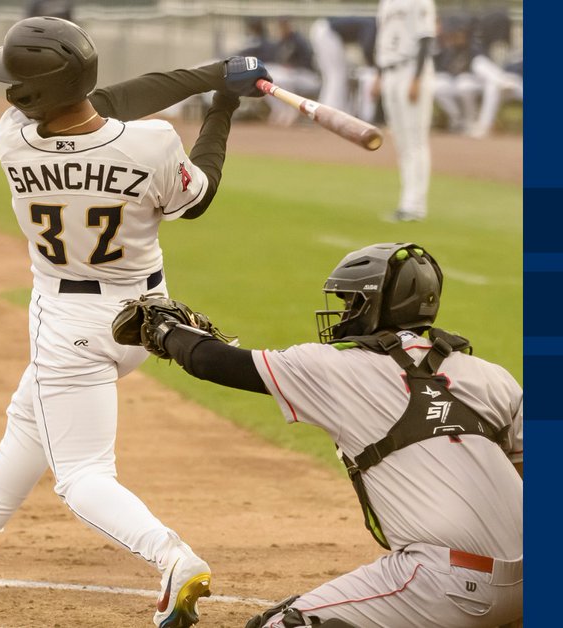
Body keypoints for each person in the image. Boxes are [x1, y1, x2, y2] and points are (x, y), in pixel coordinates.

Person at [0, 17, 270, 628]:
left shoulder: (11, 136)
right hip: (146, 320)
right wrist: (221, 101)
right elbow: (199, 192)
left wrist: (212, 79)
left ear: (27, 96)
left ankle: (173, 558)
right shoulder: (155, 143)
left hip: (69, 324)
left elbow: (113, 99)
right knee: (29, 415)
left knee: (83, 475)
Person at [115, 242, 523, 627]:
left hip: (441, 582)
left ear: (377, 305)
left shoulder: (337, 370)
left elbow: (215, 361)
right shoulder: (491, 377)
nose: (344, 313)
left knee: (278, 623)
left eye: (351, 302)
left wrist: (165, 329)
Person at [373, 0, 437, 222]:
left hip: (411, 69)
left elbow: (426, 38)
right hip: (389, 70)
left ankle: (415, 206)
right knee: (401, 141)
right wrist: (378, 75)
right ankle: (405, 203)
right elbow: (384, 39)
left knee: (415, 140)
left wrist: (417, 78)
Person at [309, 16, 378, 119]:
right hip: (327, 32)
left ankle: (323, 111)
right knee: (337, 75)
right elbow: (367, 48)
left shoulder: (369, 21)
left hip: (321, 30)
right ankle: (329, 113)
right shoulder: (373, 24)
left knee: (332, 76)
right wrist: (373, 65)